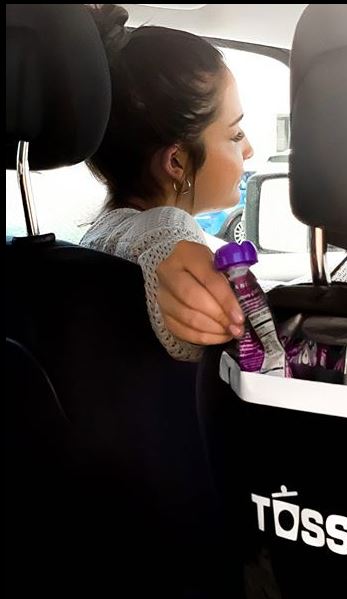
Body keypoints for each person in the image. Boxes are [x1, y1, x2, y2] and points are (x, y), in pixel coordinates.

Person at [81, 4, 254, 361]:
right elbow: (158, 233)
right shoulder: (162, 237)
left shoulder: (90, 246)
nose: (249, 149)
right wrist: (167, 246)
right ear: (176, 161)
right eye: (235, 134)